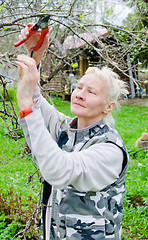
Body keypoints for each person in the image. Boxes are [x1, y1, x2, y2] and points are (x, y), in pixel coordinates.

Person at [15, 24, 129, 240]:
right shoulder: (67, 129)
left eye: (91, 91)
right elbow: (34, 100)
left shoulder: (110, 150)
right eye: (79, 87)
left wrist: (26, 106)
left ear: (108, 106)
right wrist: (34, 56)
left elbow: (60, 171)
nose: (80, 94)